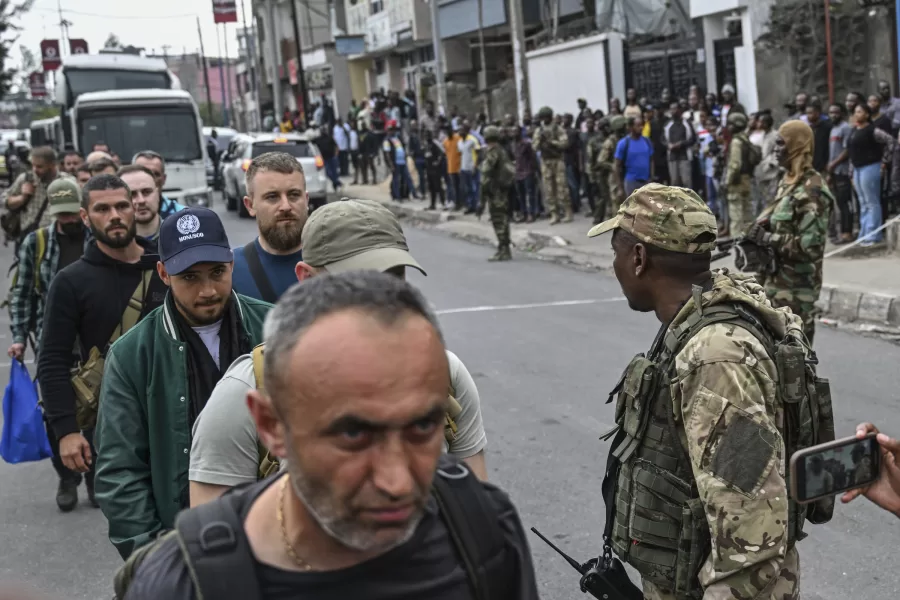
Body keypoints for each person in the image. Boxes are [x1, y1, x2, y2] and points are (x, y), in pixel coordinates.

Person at [126, 271, 536, 600]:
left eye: (422, 427)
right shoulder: (183, 584)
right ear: (271, 426)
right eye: (354, 433)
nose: (396, 481)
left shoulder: (483, 531)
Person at [587, 184, 807, 599]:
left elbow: (752, 535)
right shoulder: (698, 317)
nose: (613, 265)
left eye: (615, 252)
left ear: (638, 259)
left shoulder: (714, 359)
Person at [189, 199, 489, 502]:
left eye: (394, 277)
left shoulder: (443, 375)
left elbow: (475, 512)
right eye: (358, 283)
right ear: (307, 279)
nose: (383, 299)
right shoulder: (245, 395)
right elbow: (213, 540)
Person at [94, 207, 271, 559]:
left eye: (217, 273)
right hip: (184, 545)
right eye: (190, 277)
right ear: (163, 273)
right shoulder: (132, 355)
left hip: (273, 536)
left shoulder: (274, 326)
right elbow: (120, 471)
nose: (207, 290)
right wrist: (154, 557)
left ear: (232, 264)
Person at [37, 174, 168, 513]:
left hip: (173, 414)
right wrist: (66, 431)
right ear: (85, 217)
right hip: (111, 427)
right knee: (130, 521)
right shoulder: (70, 282)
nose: (115, 215)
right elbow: (51, 360)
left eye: (122, 205)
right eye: (102, 208)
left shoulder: (166, 265)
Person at [7, 179, 87, 511]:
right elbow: (22, 295)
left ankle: (96, 474)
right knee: (56, 411)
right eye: (61, 215)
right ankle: (67, 476)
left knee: (98, 411)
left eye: (72, 214)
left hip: (94, 339)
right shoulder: (35, 243)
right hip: (52, 339)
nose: (68, 221)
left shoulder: (97, 239)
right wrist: (17, 338)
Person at [746, 121, 832, 345]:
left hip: (797, 291)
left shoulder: (812, 189)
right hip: (774, 284)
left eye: (781, 144)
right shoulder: (788, 182)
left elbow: (810, 247)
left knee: (795, 363)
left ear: (797, 146)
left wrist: (769, 239)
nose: (776, 149)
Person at [231, 153, 308, 303]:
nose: (285, 206)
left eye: (293, 195)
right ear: (250, 205)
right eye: (272, 197)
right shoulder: (231, 271)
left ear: (306, 200)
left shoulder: (335, 262)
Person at [3, 146, 70, 246]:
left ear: (52, 165)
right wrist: (22, 198)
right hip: (29, 238)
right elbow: (4, 201)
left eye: (39, 166)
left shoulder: (67, 181)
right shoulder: (26, 178)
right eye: (33, 165)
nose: (35, 170)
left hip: (56, 239)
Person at [848, 103, 894, 246]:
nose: (857, 114)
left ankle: (874, 235)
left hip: (871, 167)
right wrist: (851, 172)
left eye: (860, 111)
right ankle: (864, 233)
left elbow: (890, 141)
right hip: (858, 168)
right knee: (862, 202)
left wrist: (884, 162)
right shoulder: (854, 130)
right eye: (856, 112)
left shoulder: (872, 130)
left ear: (867, 114)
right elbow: (851, 152)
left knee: (872, 201)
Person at [842, 423, 900, 518]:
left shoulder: (864, 464)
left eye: (856, 454)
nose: (854, 457)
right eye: (854, 454)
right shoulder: (855, 469)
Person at [479, 126, 514, 261]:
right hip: (500, 190)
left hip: (496, 191)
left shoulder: (493, 152)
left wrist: (481, 197)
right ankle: (503, 248)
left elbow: (485, 174)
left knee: (499, 219)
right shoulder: (500, 150)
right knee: (502, 219)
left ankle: (504, 249)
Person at [532, 106, 569, 224]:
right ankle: (554, 214)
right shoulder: (539, 130)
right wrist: (540, 141)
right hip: (546, 161)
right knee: (549, 188)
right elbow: (534, 146)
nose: (544, 119)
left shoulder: (558, 128)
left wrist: (552, 142)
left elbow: (565, 143)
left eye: (545, 117)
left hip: (557, 160)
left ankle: (567, 211)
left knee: (561, 187)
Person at [826, 103, 854, 244]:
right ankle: (841, 232)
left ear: (842, 113)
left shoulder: (845, 128)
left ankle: (847, 233)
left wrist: (834, 163)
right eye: (831, 112)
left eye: (836, 112)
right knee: (839, 203)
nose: (833, 115)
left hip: (843, 170)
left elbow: (847, 150)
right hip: (834, 172)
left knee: (845, 203)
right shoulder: (833, 129)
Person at [724, 111, 754, 238]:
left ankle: (738, 247)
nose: (728, 127)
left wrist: (727, 181)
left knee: (736, 219)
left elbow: (735, 165)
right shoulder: (745, 138)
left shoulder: (736, 141)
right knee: (747, 216)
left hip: (737, 182)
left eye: (730, 124)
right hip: (746, 179)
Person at [117, 165, 165, 244]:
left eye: (147, 192)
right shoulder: (112, 244)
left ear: (158, 193)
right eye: (132, 194)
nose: (141, 200)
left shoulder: (180, 236)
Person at [132, 151, 186, 221]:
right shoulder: (121, 214)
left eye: (156, 174)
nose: (150, 179)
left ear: (164, 179)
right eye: (144, 173)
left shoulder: (183, 216)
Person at [615, 116, 654, 198]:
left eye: (642, 125)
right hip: (631, 182)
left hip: (646, 182)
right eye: (638, 125)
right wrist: (619, 188)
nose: (641, 127)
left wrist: (651, 177)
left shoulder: (647, 141)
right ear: (631, 127)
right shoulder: (623, 143)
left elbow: (651, 161)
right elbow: (617, 166)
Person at [383, 121, 418, 201]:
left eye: (393, 130)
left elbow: (401, 148)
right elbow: (387, 154)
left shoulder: (397, 138)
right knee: (396, 180)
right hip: (395, 163)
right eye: (391, 130)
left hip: (402, 162)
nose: (392, 131)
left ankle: (414, 194)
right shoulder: (387, 141)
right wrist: (391, 165)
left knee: (408, 178)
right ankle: (397, 196)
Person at [663, 102, 695, 187]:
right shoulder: (667, 124)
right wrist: (668, 145)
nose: (673, 111)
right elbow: (662, 139)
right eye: (671, 109)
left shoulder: (687, 123)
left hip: (684, 156)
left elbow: (693, 139)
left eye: (675, 108)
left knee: (686, 181)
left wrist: (681, 144)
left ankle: (689, 200)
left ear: (680, 110)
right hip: (672, 157)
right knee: (674, 182)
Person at [753, 113, 779, 214]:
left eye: (761, 121)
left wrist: (772, 163)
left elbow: (777, 150)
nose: (758, 123)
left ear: (766, 123)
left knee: (772, 197)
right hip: (761, 171)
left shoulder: (775, 135)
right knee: (764, 198)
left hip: (771, 171)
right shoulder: (761, 135)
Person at [586, 117, 610, 225]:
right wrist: (591, 174)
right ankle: (598, 216)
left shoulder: (611, 139)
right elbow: (590, 159)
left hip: (610, 170)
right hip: (599, 172)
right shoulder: (594, 141)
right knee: (602, 195)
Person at [457, 120, 481, 214]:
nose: (460, 132)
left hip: (472, 167)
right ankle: (470, 206)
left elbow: (479, 153)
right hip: (464, 168)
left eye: (462, 130)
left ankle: (477, 207)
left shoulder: (472, 139)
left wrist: (476, 166)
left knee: (475, 188)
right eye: (459, 131)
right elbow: (461, 154)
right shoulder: (459, 142)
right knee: (467, 189)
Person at [422, 129, 446, 210]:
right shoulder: (426, 145)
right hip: (429, 169)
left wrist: (437, 162)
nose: (426, 137)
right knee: (431, 187)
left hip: (435, 169)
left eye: (427, 135)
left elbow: (442, 153)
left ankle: (443, 203)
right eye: (425, 135)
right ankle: (432, 204)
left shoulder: (435, 143)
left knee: (438, 186)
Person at [314, 126, 342, 193]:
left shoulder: (330, 138)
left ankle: (335, 185)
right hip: (324, 159)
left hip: (331, 157)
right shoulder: (318, 139)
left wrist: (336, 154)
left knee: (334, 172)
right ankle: (336, 182)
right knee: (327, 172)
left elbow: (336, 146)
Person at [443, 126, 463, 209]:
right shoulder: (445, 142)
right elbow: (446, 154)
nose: (449, 133)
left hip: (459, 166)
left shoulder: (458, 138)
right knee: (454, 187)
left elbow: (461, 151)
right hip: (451, 167)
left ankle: (462, 202)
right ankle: (457, 203)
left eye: (450, 131)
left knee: (461, 186)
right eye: (447, 132)